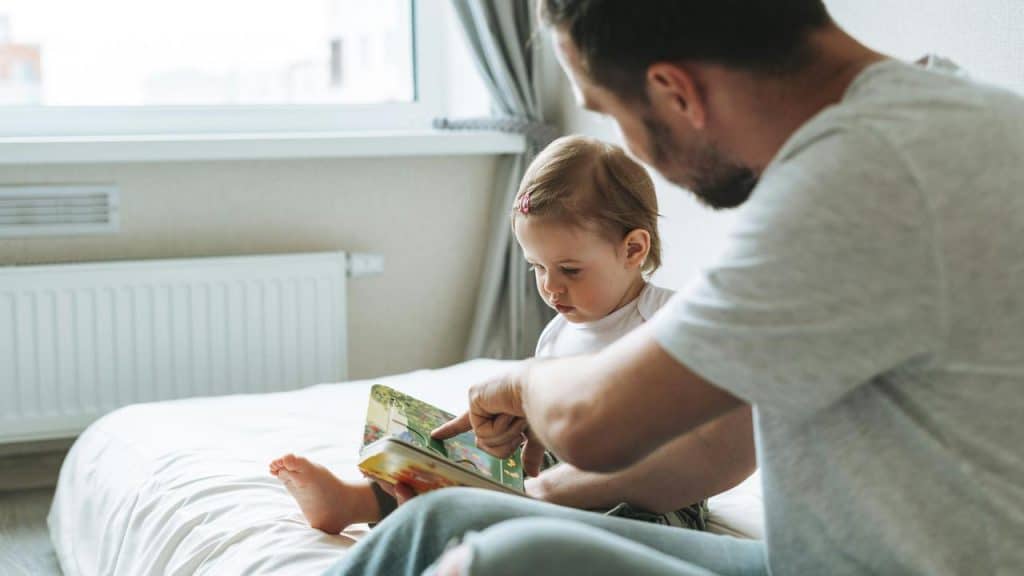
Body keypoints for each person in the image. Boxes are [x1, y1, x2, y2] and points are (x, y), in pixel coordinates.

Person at [324, 0, 1024, 575]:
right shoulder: (950, 113)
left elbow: (589, 424)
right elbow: (725, 443)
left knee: (503, 560)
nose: (628, 142)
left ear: (673, 91)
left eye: (609, 113)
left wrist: (519, 384)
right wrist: (545, 491)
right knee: (449, 518)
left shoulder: (858, 184)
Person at [268, 135, 752, 534]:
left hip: (650, 490)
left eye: (569, 269)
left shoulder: (669, 319)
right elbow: (545, 430)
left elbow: (708, 434)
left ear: (633, 249)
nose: (550, 286)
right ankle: (356, 503)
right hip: (560, 472)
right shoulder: (556, 336)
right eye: (536, 267)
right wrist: (508, 440)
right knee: (455, 463)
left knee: (619, 529)